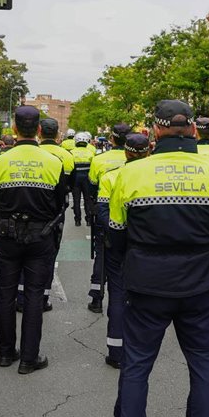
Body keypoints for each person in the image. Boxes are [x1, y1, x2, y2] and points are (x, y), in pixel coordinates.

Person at [101, 100, 209, 417]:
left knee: (136, 364)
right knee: (205, 366)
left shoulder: (131, 173)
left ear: (155, 131)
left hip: (148, 284)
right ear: (193, 130)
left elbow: (116, 235)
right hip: (203, 284)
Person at [0, 106, 66, 374]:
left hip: (7, 236)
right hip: (40, 236)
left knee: (5, 293)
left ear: (14, 129)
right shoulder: (54, 162)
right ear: (40, 130)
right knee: (34, 295)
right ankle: (29, 358)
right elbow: (59, 203)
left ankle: (6, 353)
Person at [96, 133, 150, 368]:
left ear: (126, 152)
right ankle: (139, 349)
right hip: (147, 245)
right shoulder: (154, 176)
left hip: (118, 244)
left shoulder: (111, 176)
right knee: (145, 298)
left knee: (117, 294)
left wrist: (115, 236)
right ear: (148, 152)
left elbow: (103, 211)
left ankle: (116, 351)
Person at [87, 123, 130, 313]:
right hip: (131, 216)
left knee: (101, 255)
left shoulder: (99, 160)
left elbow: (91, 185)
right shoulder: (140, 160)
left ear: (111, 139)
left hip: (105, 214)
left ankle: (97, 297)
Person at [37, 118, 76, 312]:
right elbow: (71, 186)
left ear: (39, 132)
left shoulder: (34, 153)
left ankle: (21, 296)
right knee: (50, 254)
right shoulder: (67, 156)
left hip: (31, 208)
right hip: (55, 212)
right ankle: (44, 297)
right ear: (58, 134)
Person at [70, 131, 96, 226]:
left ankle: (77, 220)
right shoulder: (91, 153)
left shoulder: (71, 152)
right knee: (88, 199)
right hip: (87, 179)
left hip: (75, 179)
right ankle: (89, 220)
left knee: (76, 200)